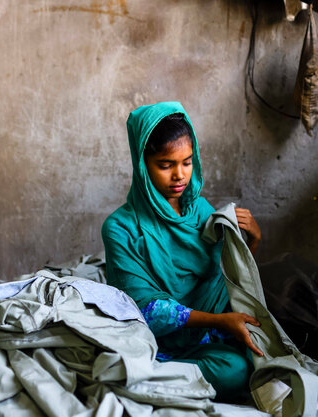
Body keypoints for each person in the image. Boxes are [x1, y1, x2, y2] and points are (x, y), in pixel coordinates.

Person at [101, 102, 263, 402]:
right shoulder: (120, 227)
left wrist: (251, 242)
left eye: (187, 162)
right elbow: (143, 309)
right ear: (142, 164)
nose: (179, 175)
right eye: (165, 165)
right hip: (152, 343)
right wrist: (219, 322)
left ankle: (156, 380)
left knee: (252, 361)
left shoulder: (201, 211)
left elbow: (226, 282)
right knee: (235, 372)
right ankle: (148, 374)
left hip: (205, 338)